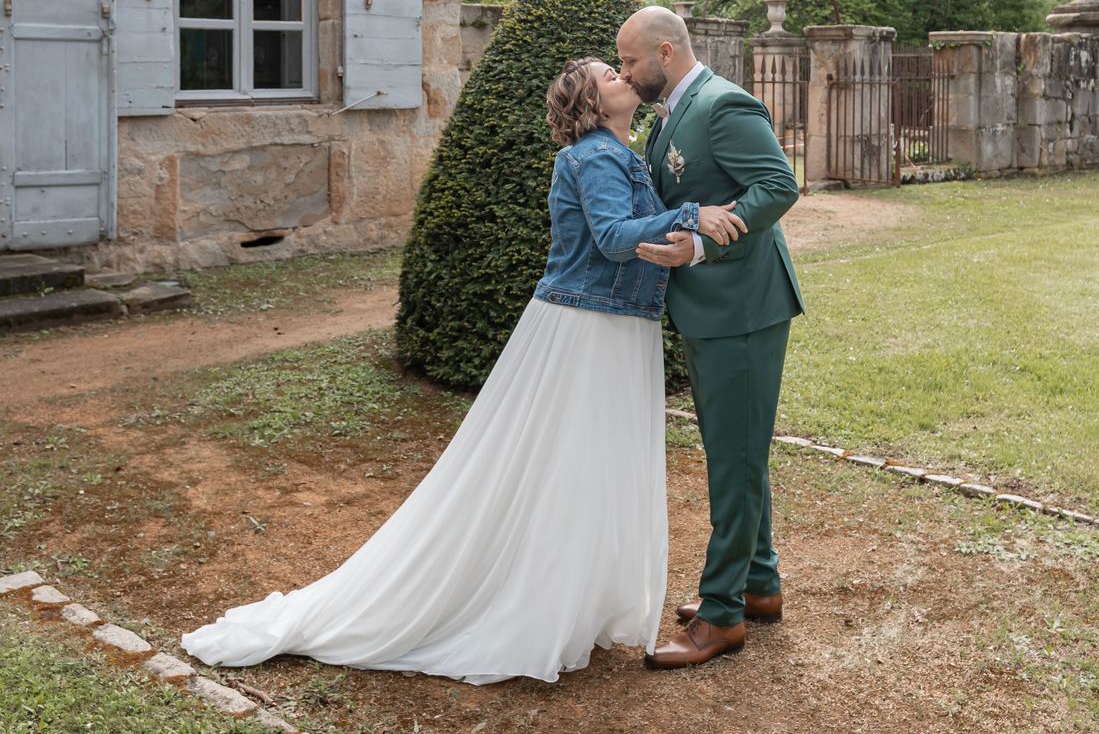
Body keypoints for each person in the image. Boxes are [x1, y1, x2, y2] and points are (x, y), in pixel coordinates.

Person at [181, 57, 747, 684]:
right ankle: (536, 605)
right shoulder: (592, 157)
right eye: (607, 76)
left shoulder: (621, 154)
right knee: (568, 463)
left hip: (618, 324)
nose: (621, 75)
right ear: (591, 103)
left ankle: (575, 600)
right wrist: (691, 215)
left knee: (591, 465)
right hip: (589, 327)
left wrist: (689, 223)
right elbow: (614, 237)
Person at [617, 7, 806, 670]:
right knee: (736, 452)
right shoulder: (672, 110)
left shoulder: (723, 105)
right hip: (709, 310)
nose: (624, 73)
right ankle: (759, 584)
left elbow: (779, 185)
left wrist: (701, 245)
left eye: (630, 61)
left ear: (665, 52)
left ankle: (722, 615)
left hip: (743, 309)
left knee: (735, 460)